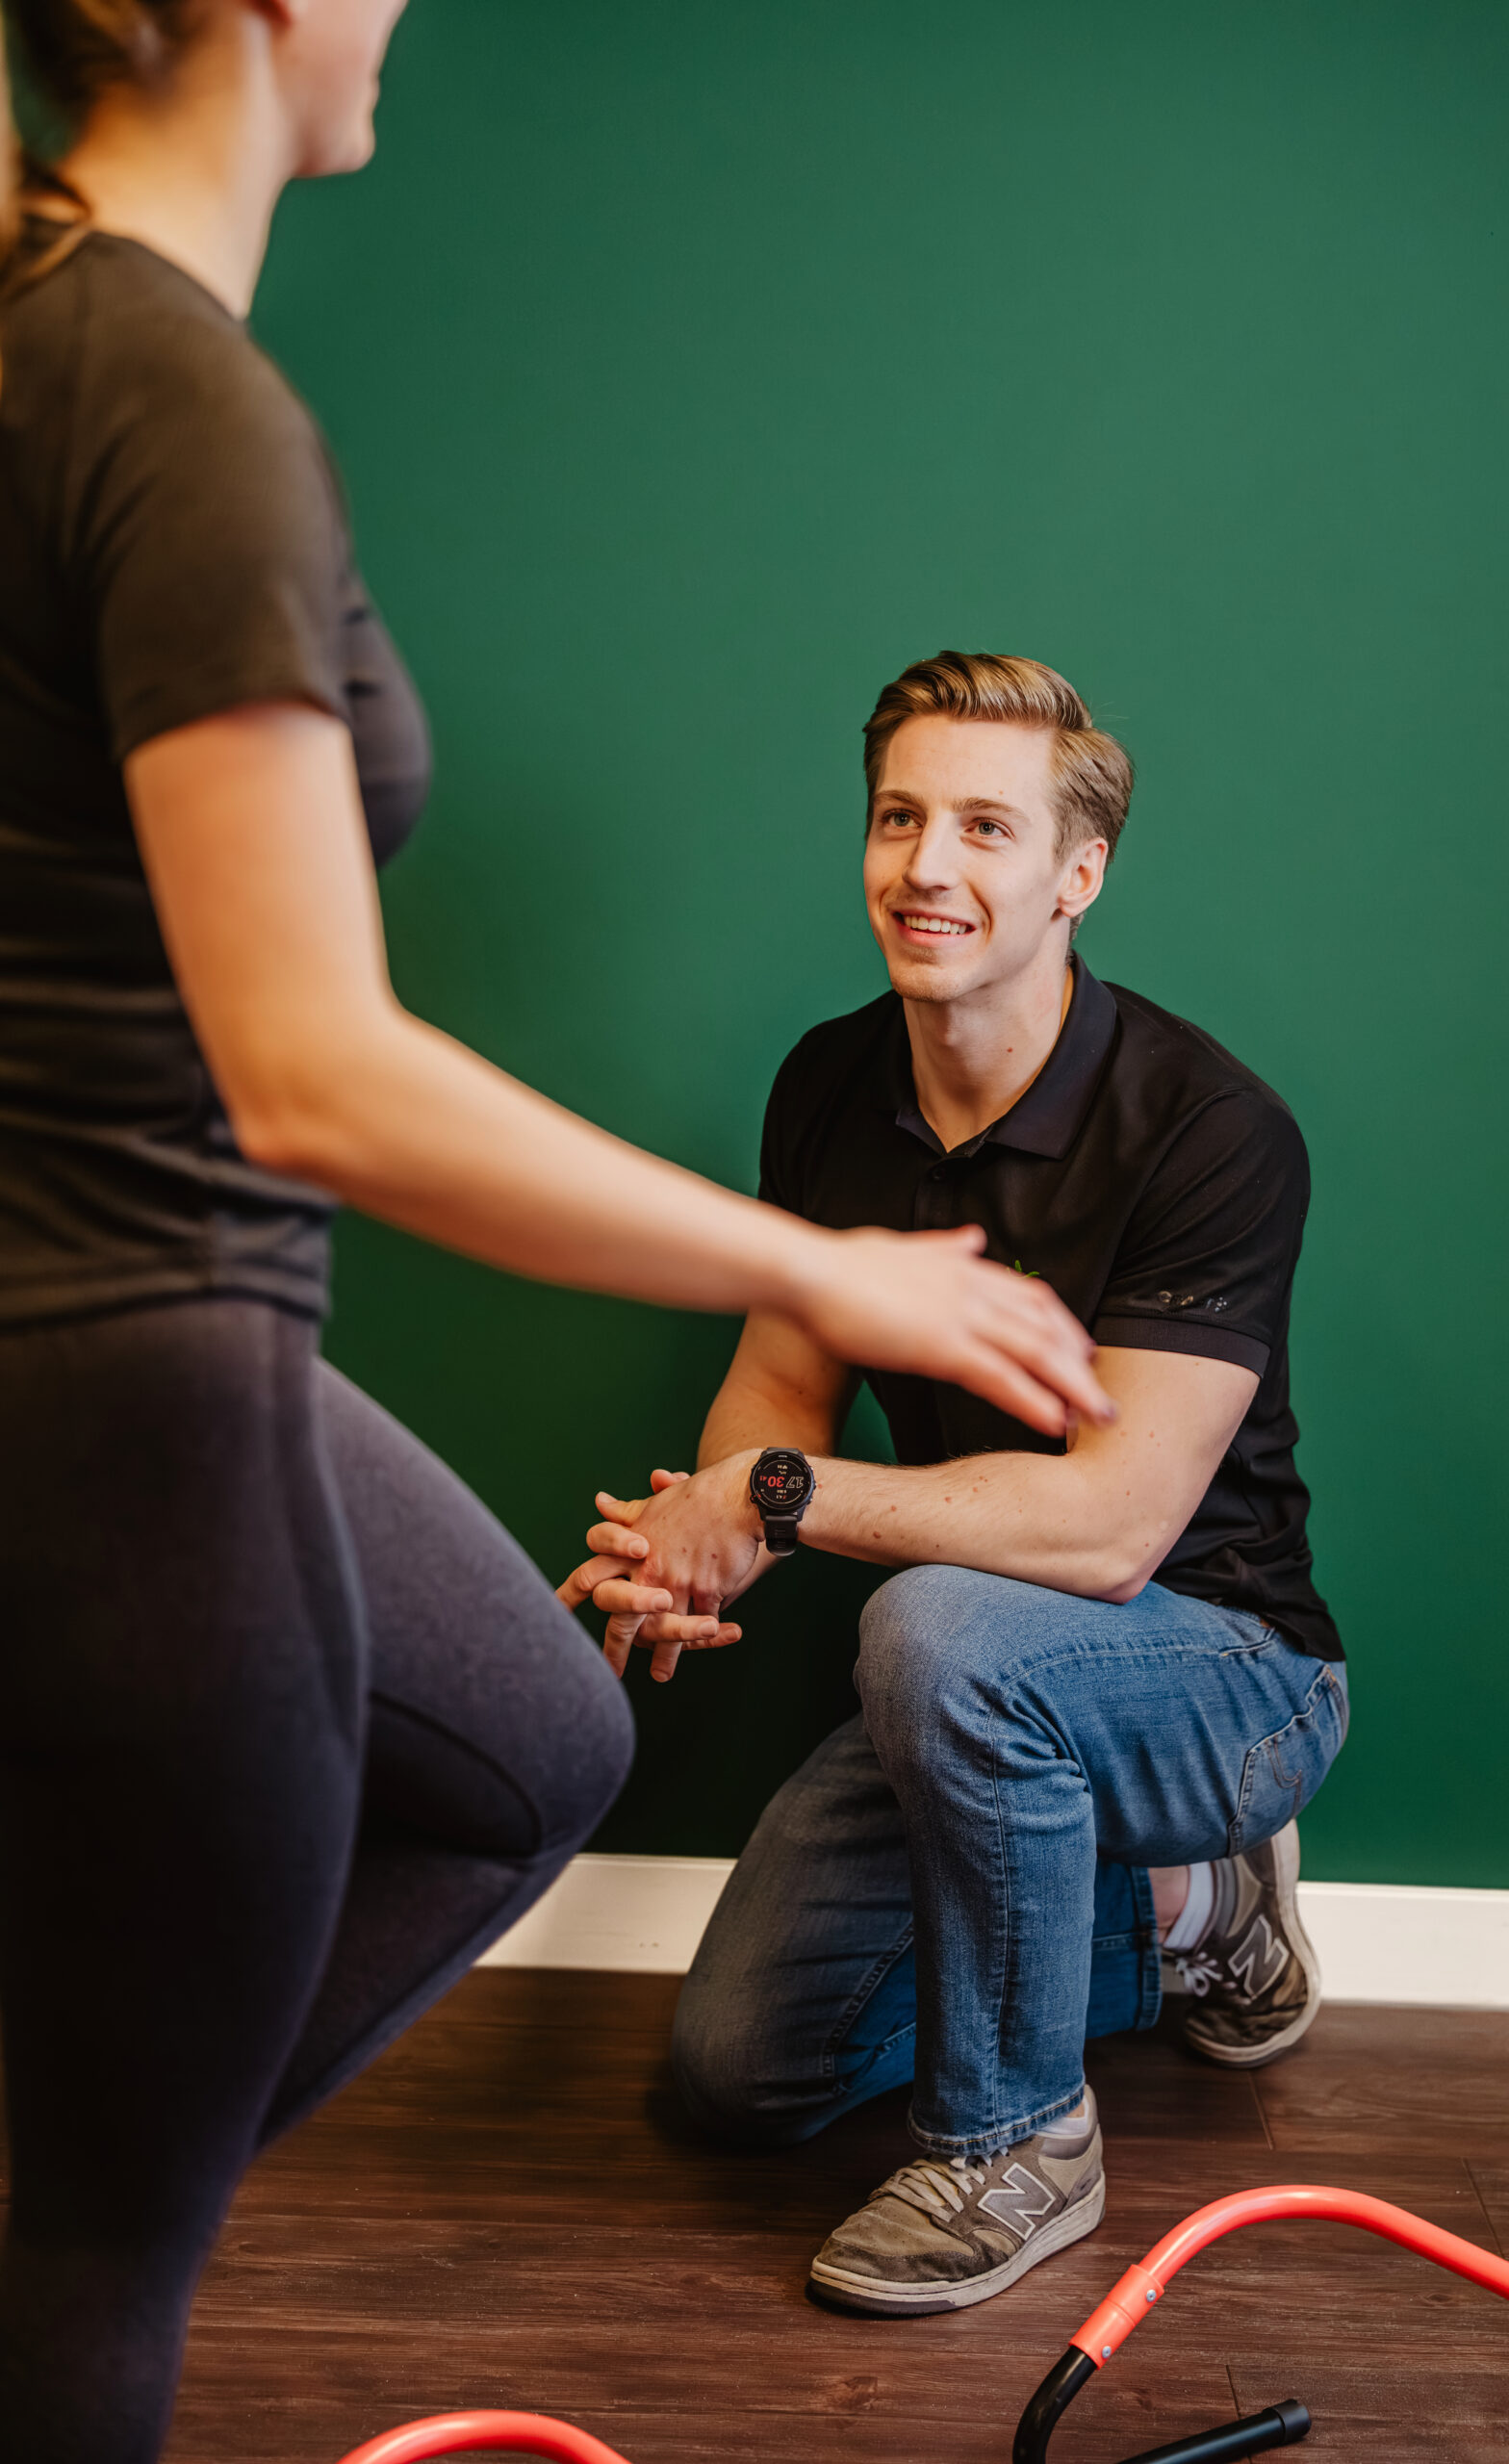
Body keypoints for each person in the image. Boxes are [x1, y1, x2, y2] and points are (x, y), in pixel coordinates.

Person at [0, 13, 1113, 2458]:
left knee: (525, 1736)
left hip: (155, 1335)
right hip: (127, 1355)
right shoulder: (163, 396)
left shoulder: (53, 328)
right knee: (89, 2248)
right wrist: (828, 1269)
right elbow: (316, 1067)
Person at [569, 652, 1349, 2318]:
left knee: (931, 1624)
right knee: (738, 2076)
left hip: (1225, 1671)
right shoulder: (829, 1084)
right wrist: (688, 1548)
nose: (928, 866)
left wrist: (773, 1499)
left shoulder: (1212, 1129)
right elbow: (778, 1390)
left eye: (987, 827)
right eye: (899, 817)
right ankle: (1187, 1919)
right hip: (981, 1678)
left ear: (1079, 875)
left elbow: (1113, 1523)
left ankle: (1020, 2141)